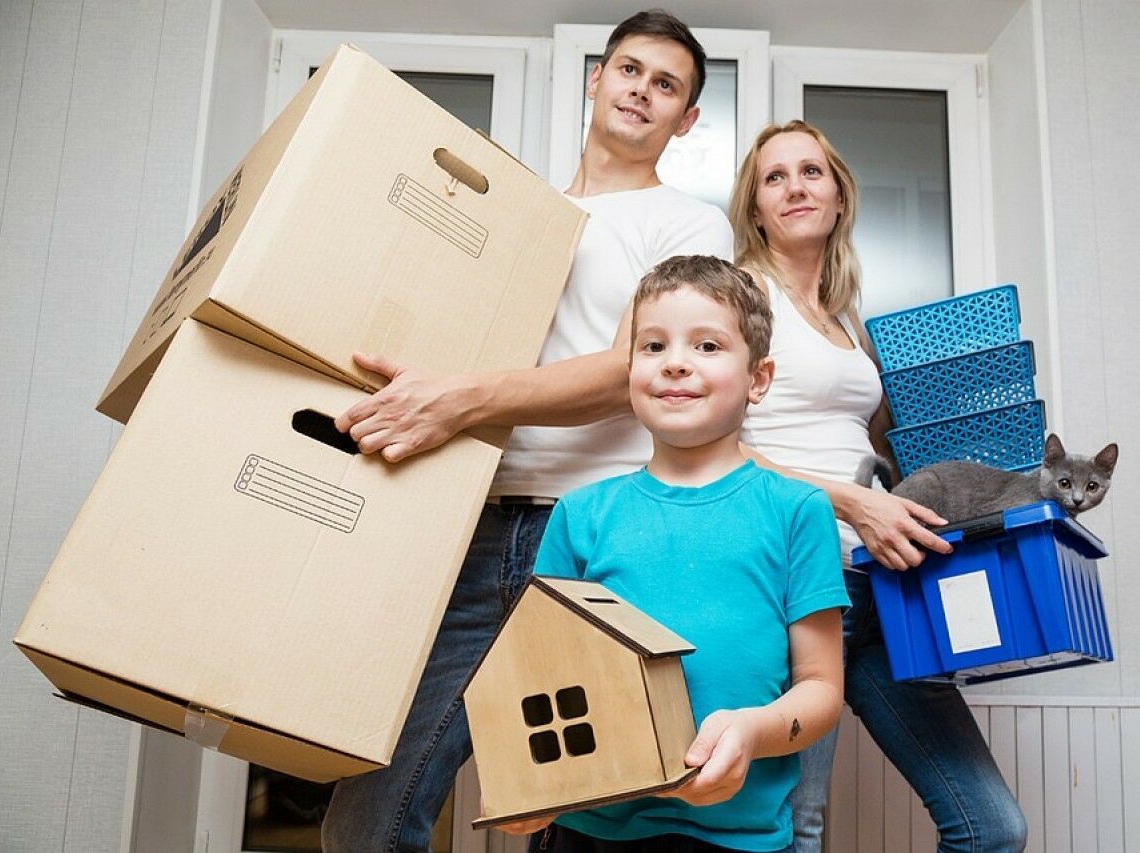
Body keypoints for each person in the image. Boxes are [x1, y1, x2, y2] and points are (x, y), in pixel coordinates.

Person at [321, 11, 733, 853]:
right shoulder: (514, 212)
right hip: (468, 524)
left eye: (666, 85)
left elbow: (634, 369)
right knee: (368, 819)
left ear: (687, 119)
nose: (641, 91)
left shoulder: (688, 225)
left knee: (584, 816)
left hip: (598, 533)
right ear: (596, 78)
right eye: (629, 70)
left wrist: (461, 400)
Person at [729, 120, 1029, 852]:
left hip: (880, 584)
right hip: (793, 581)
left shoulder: (846, 320)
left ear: (839, 197)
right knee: (795, 830)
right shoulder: (740, 295)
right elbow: (712, 447)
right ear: (755, 208)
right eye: (774, 177)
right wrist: (851, 502)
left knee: (992, 828)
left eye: (812, 172)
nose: (795, 187)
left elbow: (880, 448)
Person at [513, 255, 848, 853]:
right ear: (631, 370)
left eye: (707, 346)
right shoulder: (580, 515)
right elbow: (540, 674)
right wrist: (527, 782)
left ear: (759, 379)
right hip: (589, 832)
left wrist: (752, 730)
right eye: (653, 346)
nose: (675, 362)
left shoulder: (798, 511)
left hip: (740, 837)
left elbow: (820, 688)